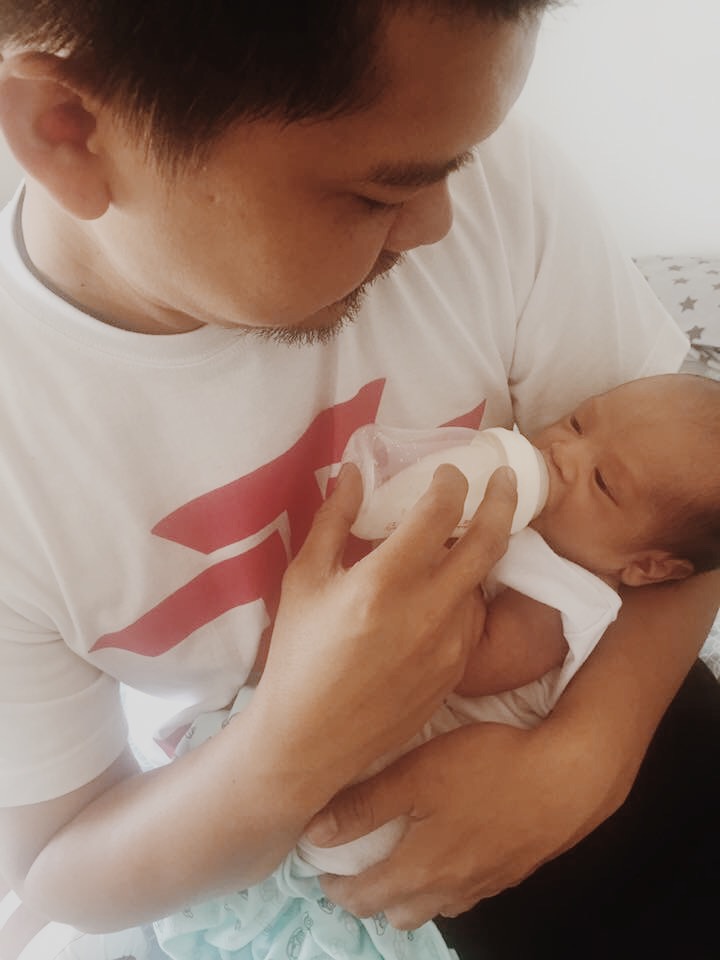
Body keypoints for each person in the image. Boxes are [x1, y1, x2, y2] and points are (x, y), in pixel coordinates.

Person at [0, 4, 717, 960]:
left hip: (634, 706)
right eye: (379, 195)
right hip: (345, 868)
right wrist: (286, 752)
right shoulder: (23, 456)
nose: (443, 222)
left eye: (458, 164)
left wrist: (586, 757)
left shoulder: (496, 186)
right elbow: (59, 871)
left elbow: (690, 519)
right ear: (68, 129)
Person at [151, 372, 720, 960]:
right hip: (373, 730)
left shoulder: (567, 595)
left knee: (326, 810)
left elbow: (476, 663)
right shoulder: (537, 528)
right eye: (579, 422)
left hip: (430, 766)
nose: (564, 452)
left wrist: (442, 557)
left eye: (602, 482)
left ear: (648, 567)